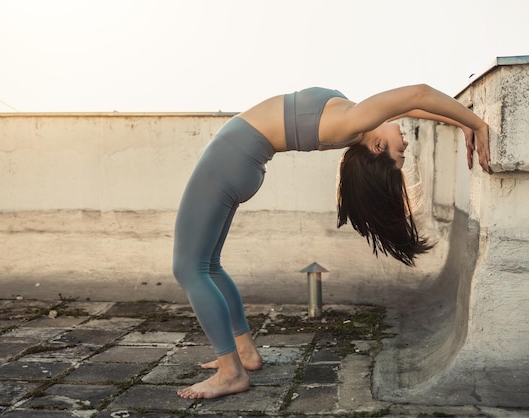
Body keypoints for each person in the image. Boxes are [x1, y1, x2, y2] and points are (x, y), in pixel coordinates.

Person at [172, 84, 491, 399]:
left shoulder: (352, 123)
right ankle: (244, 354)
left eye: (401, 149)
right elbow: (407, 106)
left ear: (377, 147)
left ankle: (230, 373)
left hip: (227, 161)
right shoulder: (357, 122)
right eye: (404, 150)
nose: (406, 141)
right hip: (239, 163)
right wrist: (461, 120)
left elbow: (419, 93)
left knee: (189, 269)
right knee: (208, 265)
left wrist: (477, 123)